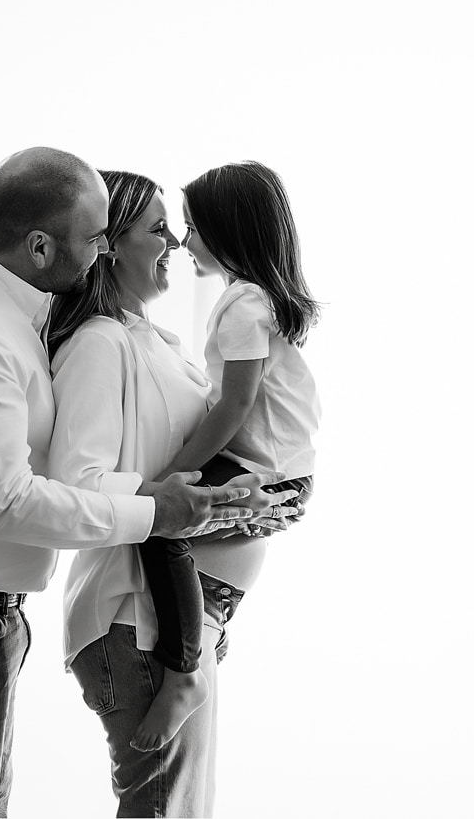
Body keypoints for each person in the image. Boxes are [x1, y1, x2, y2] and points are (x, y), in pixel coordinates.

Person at [0, 147, 271, 818]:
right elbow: (10, 500)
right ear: (40, 246)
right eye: (95, 237)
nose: (104, 250)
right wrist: (155, 512)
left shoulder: (22, 315)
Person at [47, 165, 313, 815]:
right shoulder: (102, 344)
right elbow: (77, 488)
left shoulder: (154, 341)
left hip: (176, 628)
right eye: (159, 229)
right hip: (142, 626)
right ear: (109, 245)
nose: (174, 242)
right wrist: (176, 497)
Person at [129, 160, 321, 751]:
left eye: (193, 227)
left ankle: (186, 670)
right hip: (280, 468)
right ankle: (206, 630)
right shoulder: (254, 299)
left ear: (230, 231)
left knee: (159, 525)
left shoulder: (243, 304)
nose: (183, 241)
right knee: (164, 522)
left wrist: (175, 474)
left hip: (265, 472)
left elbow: (234, 406)